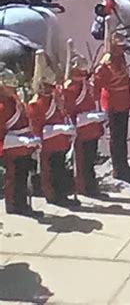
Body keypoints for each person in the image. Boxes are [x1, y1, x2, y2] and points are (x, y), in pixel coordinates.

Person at [28, 50, 77, 207]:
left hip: (60, 142)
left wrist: (67, 129)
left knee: (60, 170)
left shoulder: (54, 97)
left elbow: (62, 112)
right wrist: (60, 130)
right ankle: (53, 196)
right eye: (48, 85)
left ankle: (62, 194)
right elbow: (38, 129)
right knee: (50, 172)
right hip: (48, 144)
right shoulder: (37, 103)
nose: (51, 88)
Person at [62, 46, 106, 196]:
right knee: (82, 162)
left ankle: (91, 186)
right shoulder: (72, 87)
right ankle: (84, 188)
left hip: (91, 129)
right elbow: (70, 112)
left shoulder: (84, 83)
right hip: (82, 129)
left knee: (90, 160)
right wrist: (91, 118)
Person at [94, 31, 130, 181]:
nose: (123, 48)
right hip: (113, 103)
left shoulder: (121, 58)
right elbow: (98, 85)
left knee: (123, 136)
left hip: (124, 101)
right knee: (116, 137)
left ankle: (124, 164)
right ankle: (117, 168)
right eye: (120, 46)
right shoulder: (106, 63)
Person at [0, 66, 41, 216]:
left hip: (23, 144)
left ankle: (23, 204)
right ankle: (14, 205)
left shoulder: (14, 99)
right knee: (14, 177)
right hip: (12, 147)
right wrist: (20, 140)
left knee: (23, 176)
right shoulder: (2, 105)